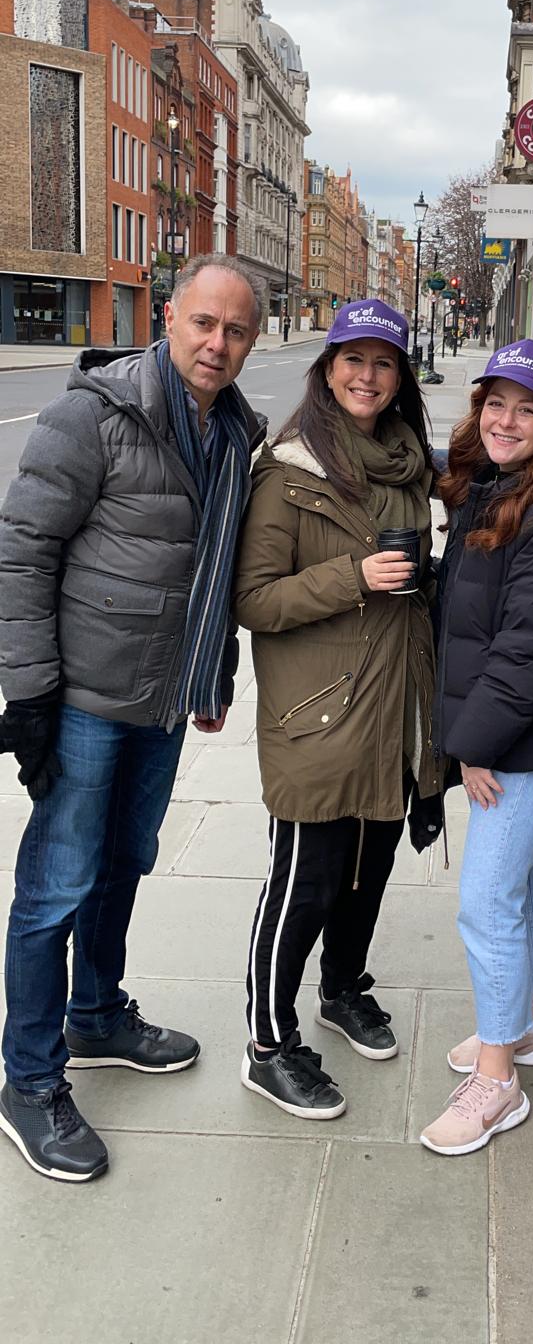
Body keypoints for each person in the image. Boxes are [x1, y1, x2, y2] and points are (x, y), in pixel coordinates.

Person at [0, 255, 266, 1183]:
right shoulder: (94, 414)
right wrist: (29, 694)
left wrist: (211, 672)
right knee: (56, 885)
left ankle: (98, 1015)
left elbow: (214, 567)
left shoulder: (234, 431)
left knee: (125, 862)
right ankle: (29, 1079)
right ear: (170, 318)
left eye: (236, 330)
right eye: (204, 323)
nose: (217, 343)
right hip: (82, 697)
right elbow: (22, 550)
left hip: (162, 696)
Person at [233, 298, 441, 1121]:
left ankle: (343, 987)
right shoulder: (286, 472)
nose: (367, 375)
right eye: (353, 359)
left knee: (370, 869)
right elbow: (254, 600)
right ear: (326, 371)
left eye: (383, 362)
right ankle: (267, 1044)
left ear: (400, 378)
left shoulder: (408, 463)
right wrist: (352, 577)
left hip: (395, 707)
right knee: (306, 883)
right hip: (319, 713)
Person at [420, 341, 533, 1157]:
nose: (506, 420)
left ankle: (498, 1081)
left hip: (525, 737)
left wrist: (471, 747)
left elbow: (531, 650)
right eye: (495, 403)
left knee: (487, 899)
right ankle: (529, 1023)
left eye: (526, 409)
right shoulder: (490, 488)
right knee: (523, 876)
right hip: (514, 729)